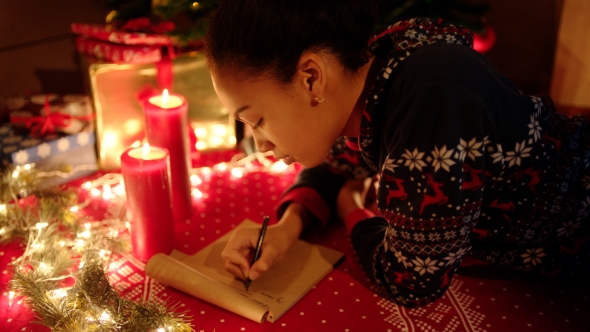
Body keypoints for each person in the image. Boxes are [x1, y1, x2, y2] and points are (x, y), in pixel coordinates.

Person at [203, 0, 590, 308]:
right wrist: (289, 227)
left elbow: (408, 280)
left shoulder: (429, 99)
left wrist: (349, 208)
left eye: (258, 120)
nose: (260, 144)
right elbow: (337, 163)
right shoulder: (375, 77)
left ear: (310, 77)